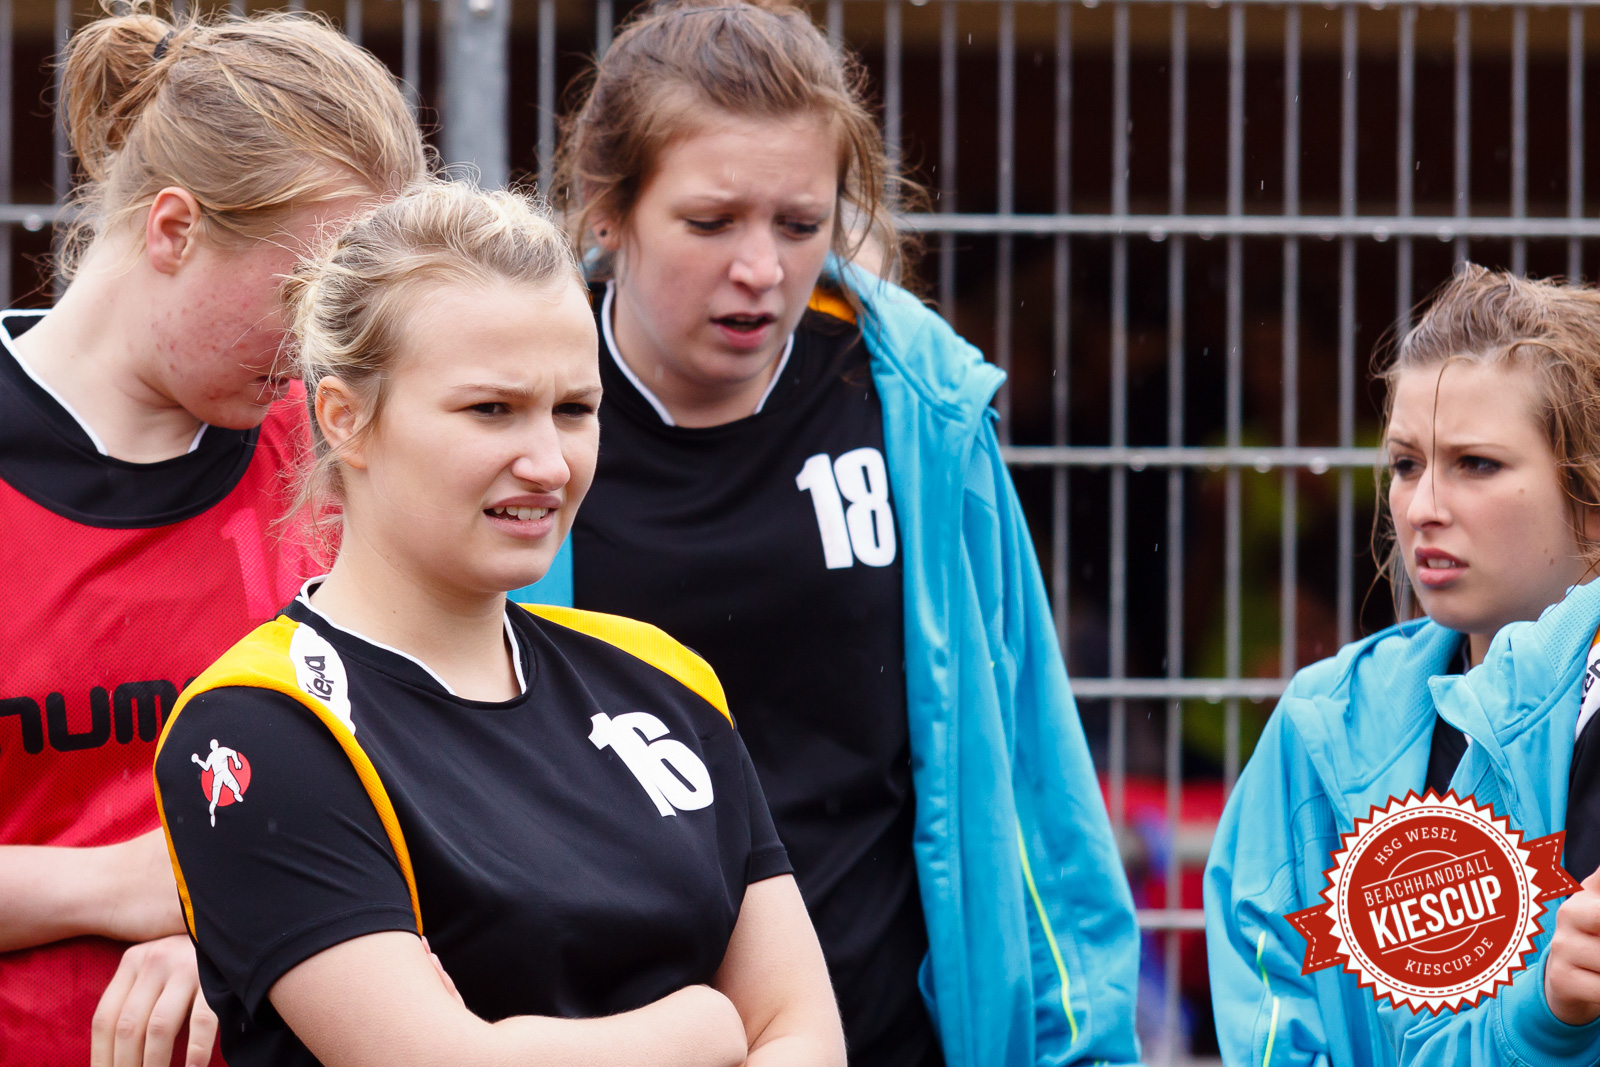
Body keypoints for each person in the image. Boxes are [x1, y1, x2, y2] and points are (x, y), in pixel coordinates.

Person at [517, 3, 1141, 1064]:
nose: (760, 267)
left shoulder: (917, 406)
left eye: (799, 225)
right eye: (712, 222)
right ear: (608, 210)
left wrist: (1083, 1041)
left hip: (886, 1029)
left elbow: (1033, 774)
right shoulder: (509, 422)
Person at [152, 179, 845, 1067]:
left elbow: (803, 1031)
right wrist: (701, 1029)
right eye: (492, 409)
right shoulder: (261, 724)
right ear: (345, 419)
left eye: (575, 410)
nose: (549, 463)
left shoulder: (663, 678)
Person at [0, 7, 425, 1065]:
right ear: (174, 229)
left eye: (350, 304)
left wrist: (239, 911)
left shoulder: (335, 448)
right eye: (303, 291)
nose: (324, 341)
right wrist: (116, 883)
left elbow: (452, 774)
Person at [1205, 265, 1600, 1065]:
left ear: (1588, 495)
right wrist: (1539, 1019)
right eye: (1406, 464)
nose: (1422, 509)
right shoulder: (1325, 719)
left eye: (1476, 464)